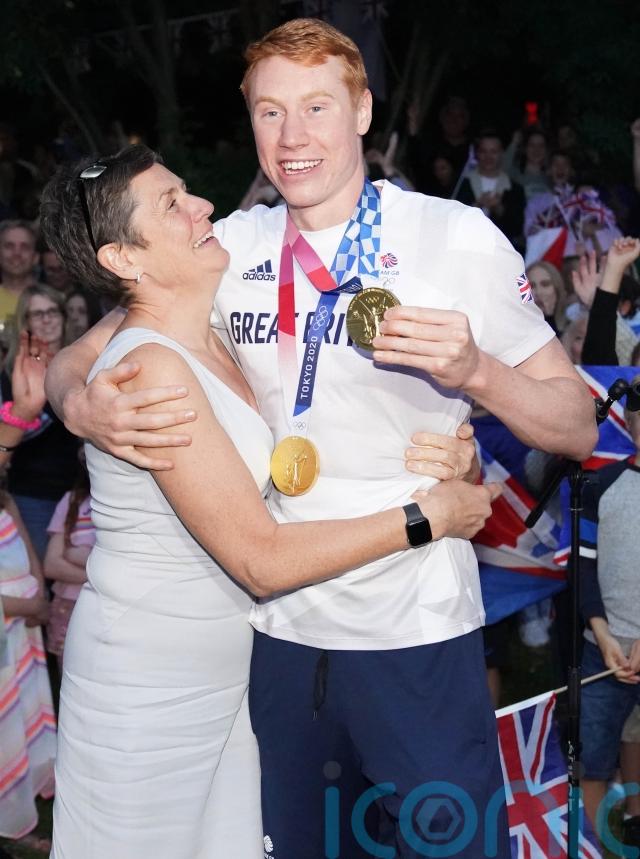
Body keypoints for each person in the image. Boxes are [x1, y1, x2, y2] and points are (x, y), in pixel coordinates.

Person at [46, 19, 597, 859]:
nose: (292, 136)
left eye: (316, 107)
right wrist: (80, 408)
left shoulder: (455, 238)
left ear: (364, 110)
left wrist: (479, 372)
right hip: (279, 637)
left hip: (414, 626)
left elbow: (577, 422)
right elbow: (81, 356)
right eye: (269, 112)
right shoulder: (230, 245)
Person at [39, 143, 496, 859]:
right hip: (150, 682)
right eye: (171, 205)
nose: (202, 206)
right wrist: (428, 518)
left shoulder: (209, 323)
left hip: (232, 671)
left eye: (187, 189)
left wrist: (449, 443)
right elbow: (260, 559)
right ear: (124, 258)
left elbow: (75, 357)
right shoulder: (151, 369)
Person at [578, 380, 640, 846]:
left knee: (635, 735)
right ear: (629, 423)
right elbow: (582, 567)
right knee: (593, 755)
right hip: (603, 650)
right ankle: (596, 844)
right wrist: (601, 633)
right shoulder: (602, 485)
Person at [1, 286, 79, 558]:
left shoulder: (84, 362)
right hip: (33, 492)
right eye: (37, 314)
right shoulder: (12, 373)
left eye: (52, 311)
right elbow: (10, 434)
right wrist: (33, 409)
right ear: (25, 322)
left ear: (64, 317)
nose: (47, 320)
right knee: (39, 571)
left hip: (80, 491)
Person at [0, 489, 56, 843]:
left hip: (21, 630)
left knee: (21, 713)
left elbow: (29, 550)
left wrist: (39, 594)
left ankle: (21, 799)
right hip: (7, 626)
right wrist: (29, 607)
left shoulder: (5, 499)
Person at [43, 446, 93, 670]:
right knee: (69, 671)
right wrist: (102, 573)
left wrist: (77, 555)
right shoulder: (73, 501)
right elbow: (52, 565)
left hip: (107, 608)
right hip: (67, 606)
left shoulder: (133, 508)